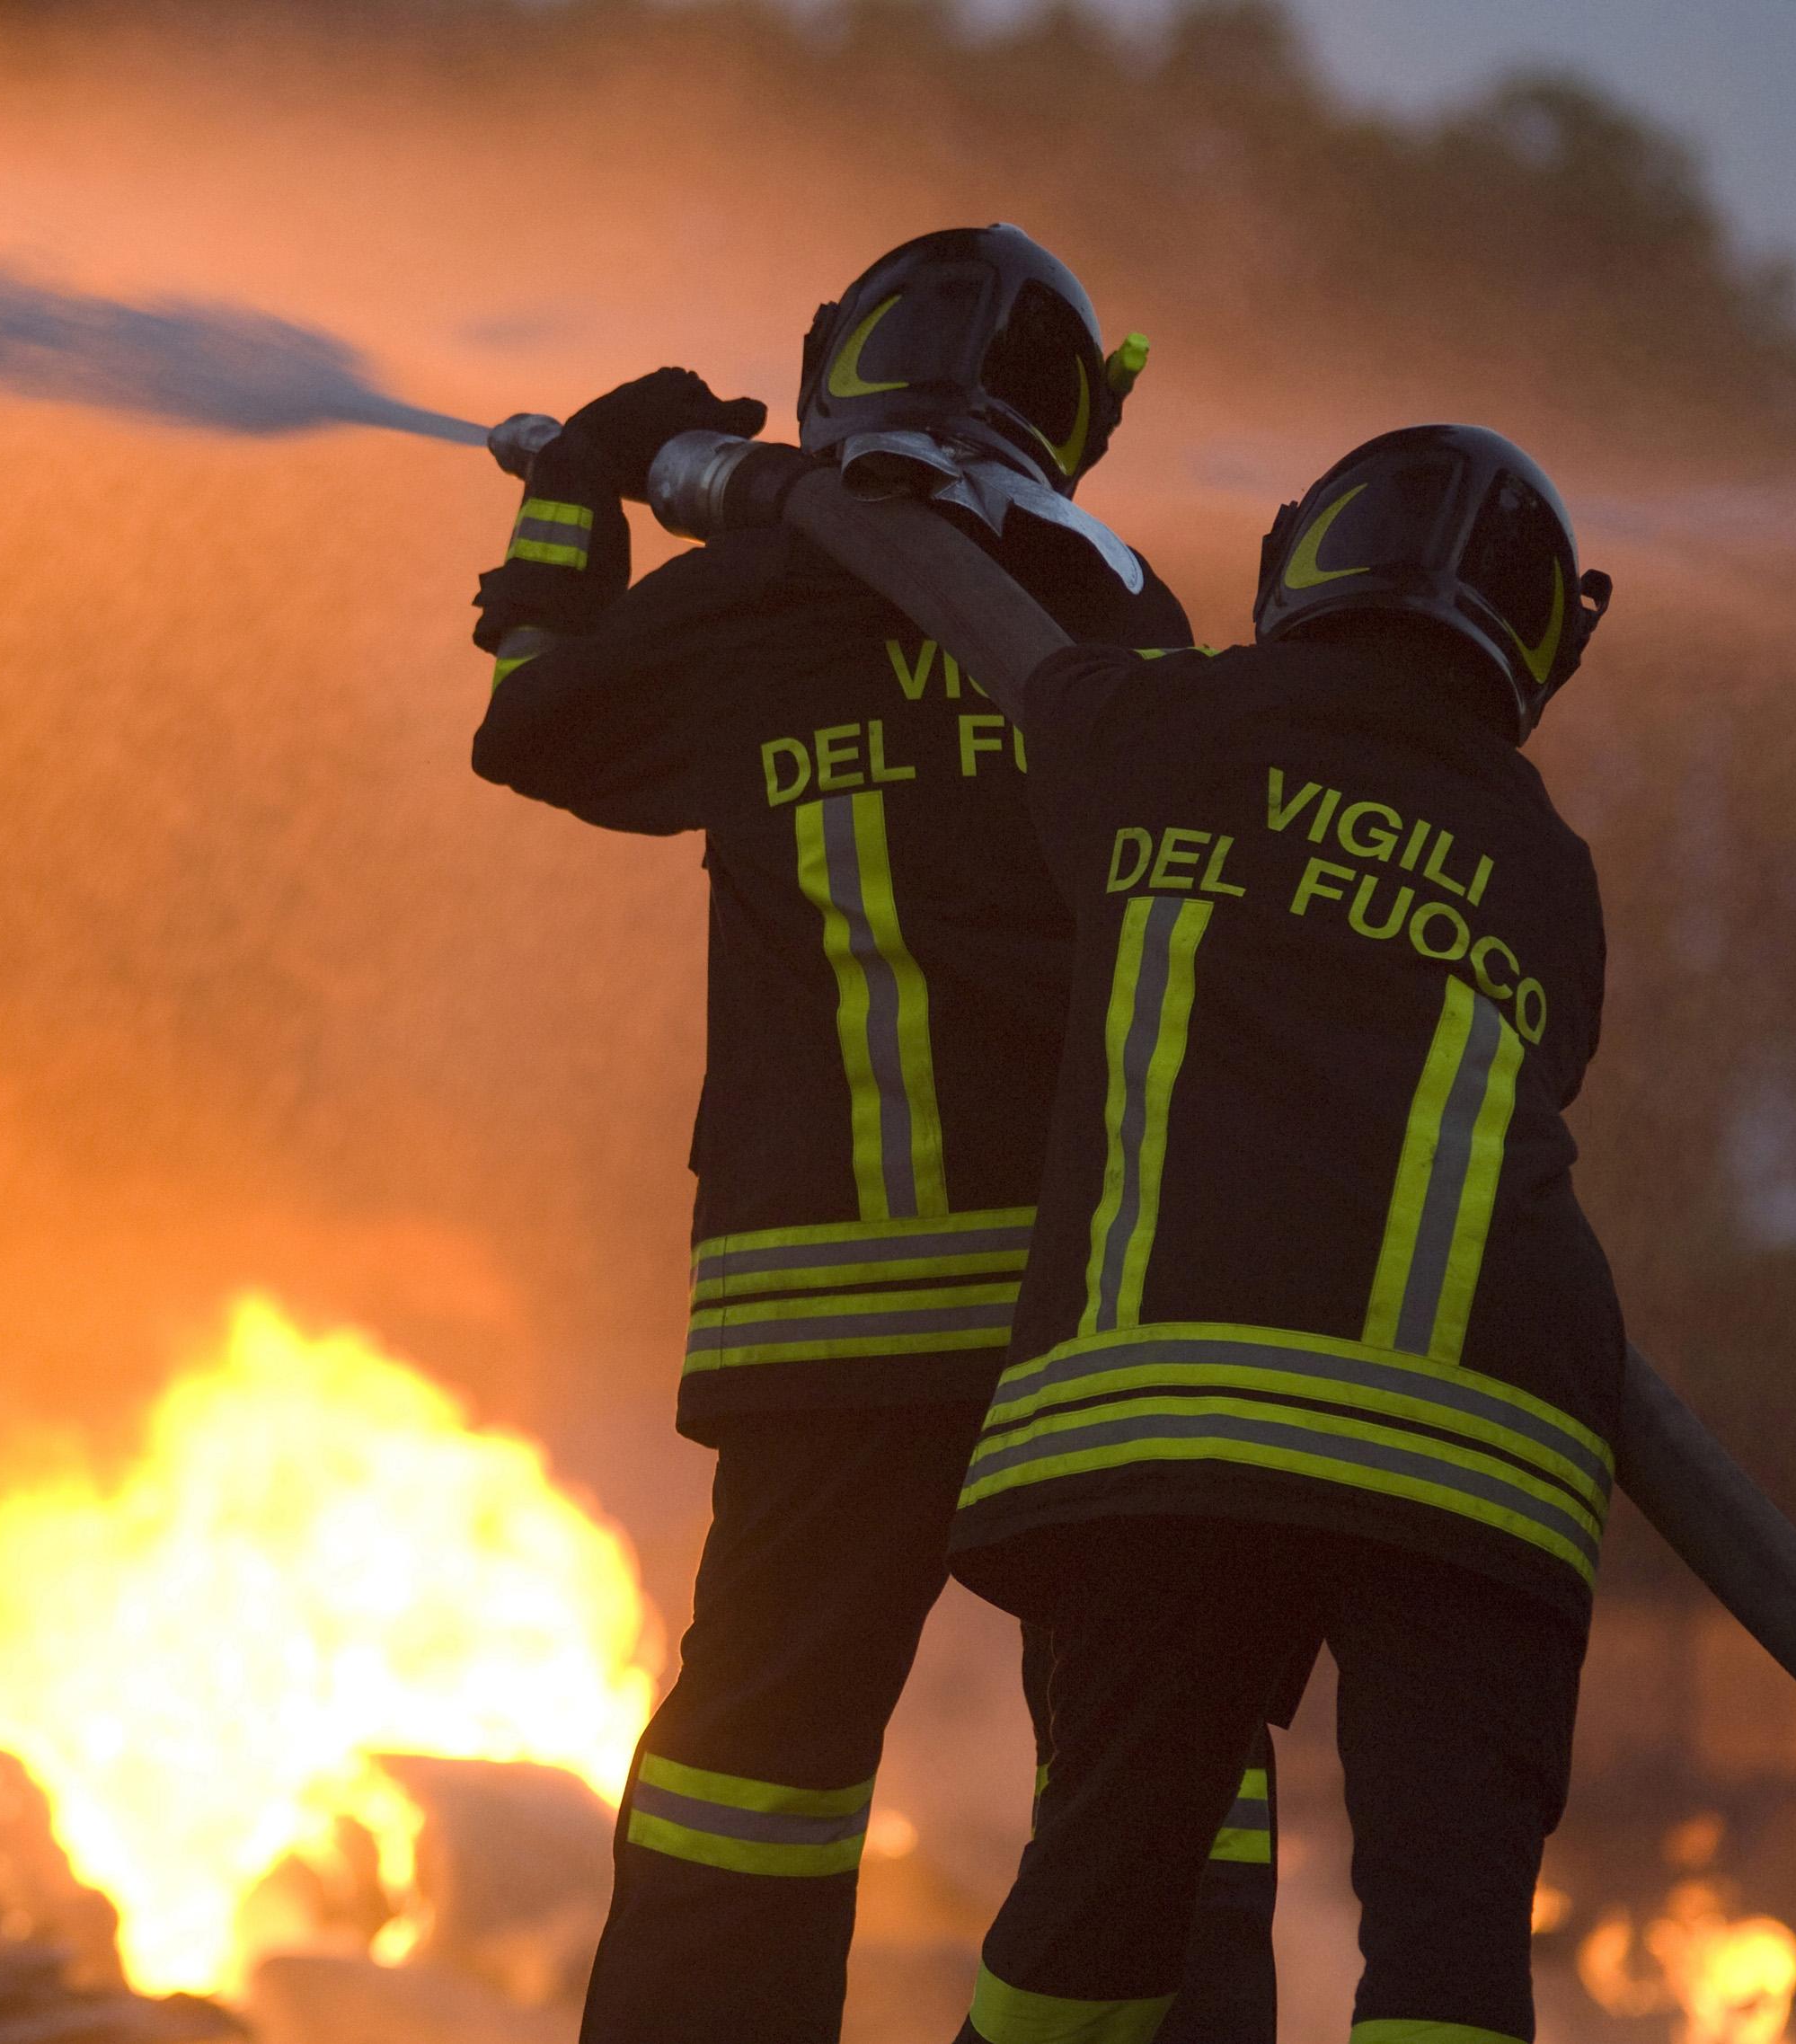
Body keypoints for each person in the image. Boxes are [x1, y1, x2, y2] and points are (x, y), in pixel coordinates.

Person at [468, 225, 1279, 2044]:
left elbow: (533, 724)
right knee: (1160, 1737)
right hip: (1095, 1316)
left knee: (760, 1756)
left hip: (831, 1313)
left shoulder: (757, 602)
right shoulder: (1116, 614)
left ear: (844, 364)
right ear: (1067, 417)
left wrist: (577, 494)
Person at [818, 423, 1618, 2044]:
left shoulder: (1157, 725)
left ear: (1299, 558)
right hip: (1495, 1441)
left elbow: (998, 650)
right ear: (1542, 641)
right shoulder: (1549, 869)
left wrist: (856, 494)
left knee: (1099, 1906)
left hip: (1185, 1410)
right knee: (1449, 1954)